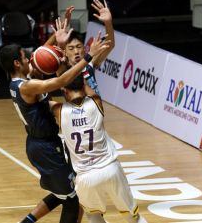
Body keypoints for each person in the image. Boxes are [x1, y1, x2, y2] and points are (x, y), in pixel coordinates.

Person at [0, 17, 110, 223]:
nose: (28, 59)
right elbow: (61, 81)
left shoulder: (22, 79)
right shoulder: (26, 86)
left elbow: (41, 54)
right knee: (73, 199)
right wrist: (88, 57)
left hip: (44, 143)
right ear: (16, 63)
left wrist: (57, 41)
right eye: (24, 57)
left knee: (63, 193)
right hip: (44, 148)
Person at [53, 76, 147, 223]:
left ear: (64, 90)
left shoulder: (59, 110)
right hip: (110, 169)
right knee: (132, 217)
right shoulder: (96, 102)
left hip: (85, 177)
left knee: (94, 216)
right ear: (83, 85)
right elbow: (90, 90)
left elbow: (42, 98)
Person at [52, 1, 115, 95]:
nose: (76, 51)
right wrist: (60, 43)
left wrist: (108, 23)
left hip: (95, 107)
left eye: (78, 47)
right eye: (71, 48)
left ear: (85, 48)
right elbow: (57, 54)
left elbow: (110, 45)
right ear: (65, 51)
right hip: (75, 109)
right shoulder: (62, 67)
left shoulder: (90, 63)